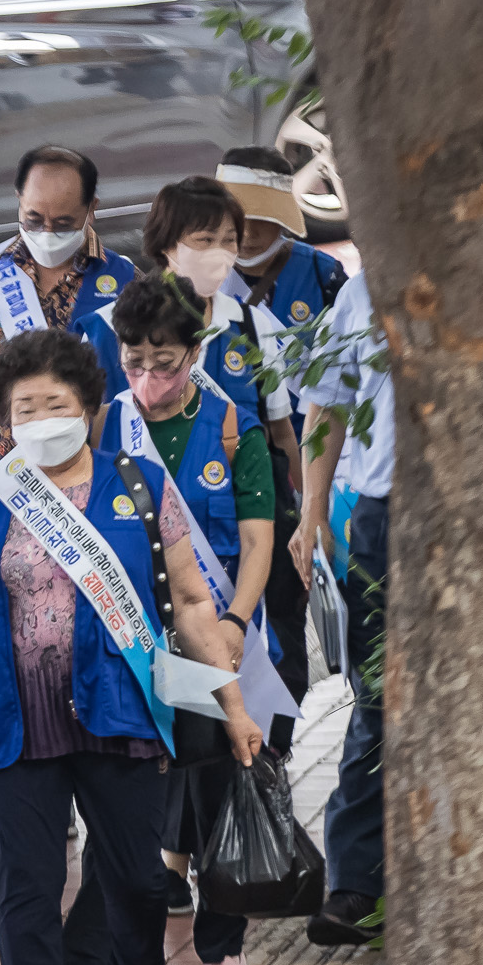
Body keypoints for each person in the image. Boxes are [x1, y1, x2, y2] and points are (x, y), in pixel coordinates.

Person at [0, 329, 262, 965]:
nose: (41, 418)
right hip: (19, 720)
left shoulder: (137, 483)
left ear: (89, 408)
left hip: (120, 710)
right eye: (24, 407)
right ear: (4, 419)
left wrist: (232, 704)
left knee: (134, 877)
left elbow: (190, 600)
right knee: (26, 885)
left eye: (56, 403)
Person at [95, 274, 279, 965]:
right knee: (126, 792)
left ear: (195, 351)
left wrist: (236, 622)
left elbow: (259, 542)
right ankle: (112, 949)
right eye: (133, 361)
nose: (147, 379)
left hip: (212, 632)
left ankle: (223, 942)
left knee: (214, 787)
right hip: (126, 635)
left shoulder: (233, 428)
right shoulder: (101, 425)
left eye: (164, 362)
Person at [218, 147, 350, 761]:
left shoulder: (323, 279)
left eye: (258, 217)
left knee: (284, 629)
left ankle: (277, 756)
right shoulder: (195, 283)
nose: (244, 232)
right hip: (213, 491)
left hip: (296, 479)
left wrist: (313, 499)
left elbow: (343, 394)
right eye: (231, 218)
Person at [291, 269, 394, 947]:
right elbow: (325, 403)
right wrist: (313, 509)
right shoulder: (364, 291)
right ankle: (354, 881)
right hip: (386, 517)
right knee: (379, 696)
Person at [0, 145, 138, 461]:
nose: (47, 232)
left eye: (64, 223)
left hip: (87, 476)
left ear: (92, 209)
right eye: (34, 219)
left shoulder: (124, 282)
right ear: (19, 199)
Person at [80, 176, 264, 424]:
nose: (220, 253)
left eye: (229, 240)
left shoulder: (252, 325)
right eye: (206, 240)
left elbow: (279, 430)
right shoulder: (105, 329)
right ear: (167, 243)